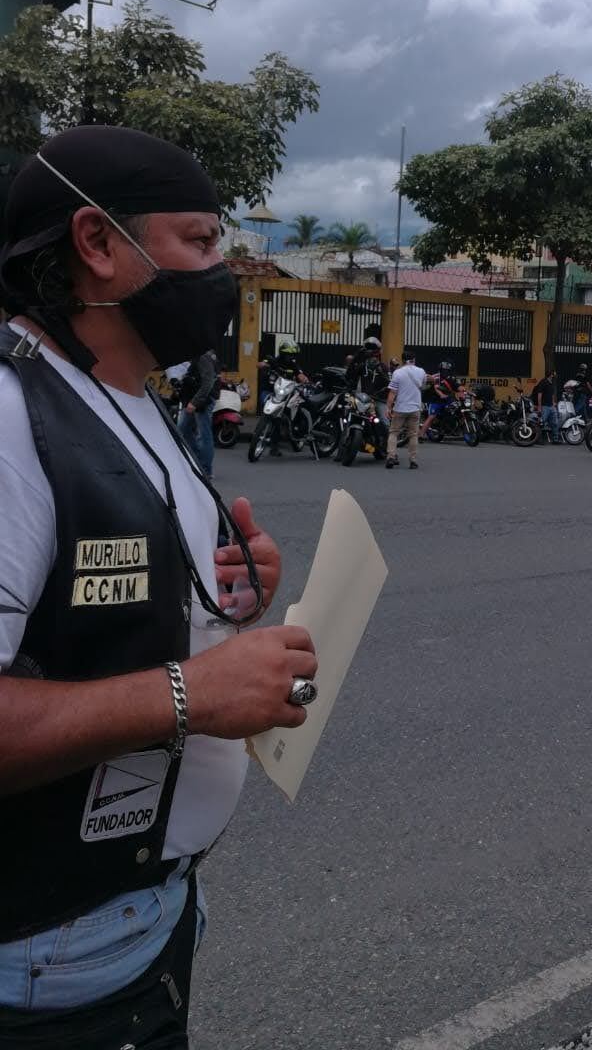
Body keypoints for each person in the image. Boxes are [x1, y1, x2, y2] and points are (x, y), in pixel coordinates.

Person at [0, 125, 317, 1048]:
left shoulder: (129, 396)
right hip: (46, 965)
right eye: (203, 241)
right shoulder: (14, 416)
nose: (227, 268)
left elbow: (96, 600)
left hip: (142, 917)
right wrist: (190, 691)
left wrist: (223, 592)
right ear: (98, 245)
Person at [177, 349, 218, 479]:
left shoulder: (203, 356)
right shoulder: (197, 356)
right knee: (183, 429)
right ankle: (197, 460)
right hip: (192, 399)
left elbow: (208, 382)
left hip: (202, 401)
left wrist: (195, 402)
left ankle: (205, 469)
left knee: (203, 434)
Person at [385, 350, 427, 470]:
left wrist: (388, 408)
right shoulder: (421, 371)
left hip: (400, 408)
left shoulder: (397, 373)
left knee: (393, 433)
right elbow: (423, 386)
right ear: (414, 359)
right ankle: (413, 461)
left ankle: (391, 457)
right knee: (413, 435)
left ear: (402, 360)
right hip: (415, 408)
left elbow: (392, 393)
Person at [419, 360, 459, 440]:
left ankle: (453, 427)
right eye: (444, 370)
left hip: (448, 400)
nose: (445, 372)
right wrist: (441, 395)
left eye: (447, 370)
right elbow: (436, 387)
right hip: (435, 400)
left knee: (457, 410)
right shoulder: (436, 377)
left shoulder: (452, 378)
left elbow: (457, 386)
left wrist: (464, 391)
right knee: (432, 417)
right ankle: (421, 435)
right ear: (440, 370)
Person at [532, 370, 560, 443]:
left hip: (551, 406)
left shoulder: (552, 383)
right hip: (544, 407)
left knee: (555, 423)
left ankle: (555, 439)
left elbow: (552, 394)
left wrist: (554, 402)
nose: (555, 375)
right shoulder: (543, 382)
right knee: (541, 423)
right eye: (554, 374)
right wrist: (539, 406)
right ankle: (538, 439)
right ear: (551, 375)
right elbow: (539, 395)